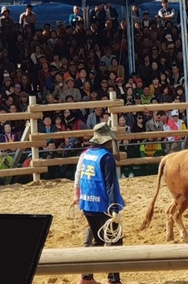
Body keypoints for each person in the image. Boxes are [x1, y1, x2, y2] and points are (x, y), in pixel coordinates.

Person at [74, 122, 125, 284]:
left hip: (88, 203)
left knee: (97, 239)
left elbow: (79, 176)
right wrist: (115, 208)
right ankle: (113, 279)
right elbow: (110, 184)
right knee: (115, 239)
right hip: (103, 205)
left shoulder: (87, 154)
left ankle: (87, 276)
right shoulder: (106, 157)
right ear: (107, 140)